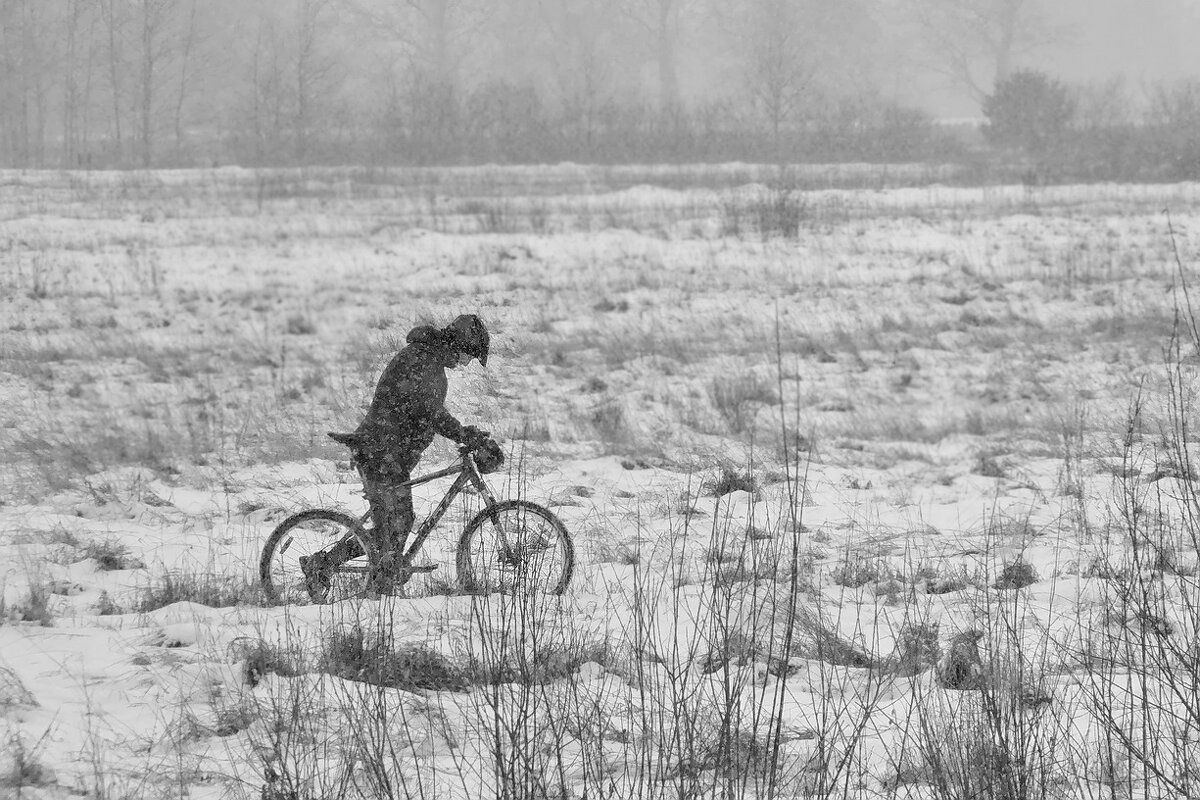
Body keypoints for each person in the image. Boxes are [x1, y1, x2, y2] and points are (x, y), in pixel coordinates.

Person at [303, 314, 496, 598]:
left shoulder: (427, 359)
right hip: (381, 451)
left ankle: (334, 567)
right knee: (397, 522)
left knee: (393, 524)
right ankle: (379, 589)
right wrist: (464, 434)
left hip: (387, 452)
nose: (465, 363)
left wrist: (462, 433)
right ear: (459, 343)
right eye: (468, 356)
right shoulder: (422, 360)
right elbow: (430, 411)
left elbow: (426, 411)